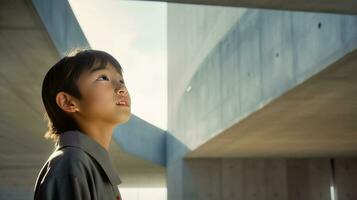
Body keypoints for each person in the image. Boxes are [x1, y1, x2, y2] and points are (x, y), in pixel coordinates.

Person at [33, 48, 131, 200]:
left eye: (121, 81)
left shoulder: (86, 164)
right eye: (103, 78)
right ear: (68, 102)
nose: (122, 89)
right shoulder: (71, 164)